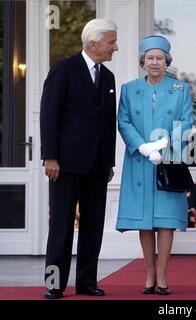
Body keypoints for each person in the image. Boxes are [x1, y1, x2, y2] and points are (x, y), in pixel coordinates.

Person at [40, 19, 118, 299]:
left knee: (93, 225)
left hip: (97, 166)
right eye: (111, 42)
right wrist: (50, 157)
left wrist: (109, 161)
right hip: (64, 164)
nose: (115, 47)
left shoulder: (108, 77)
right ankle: (53, 284)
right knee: (61, 225)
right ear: (93, 43)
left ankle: (86, 282)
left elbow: (109, 123)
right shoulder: (63, 70)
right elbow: (49, 115)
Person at [116, 35, 193, 295]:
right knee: (145, 222)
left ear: (167, 61)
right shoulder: (129, 88)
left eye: (160, 58)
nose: (155, 62)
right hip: (140, 161)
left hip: (168, 160)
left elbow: (186, 122)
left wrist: (162, 144)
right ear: (143, 61)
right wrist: (142, 146)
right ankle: (149, 274)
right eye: (150, 58)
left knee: (165, 221)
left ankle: (162, 276)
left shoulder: (180, 89)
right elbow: (123, 121)